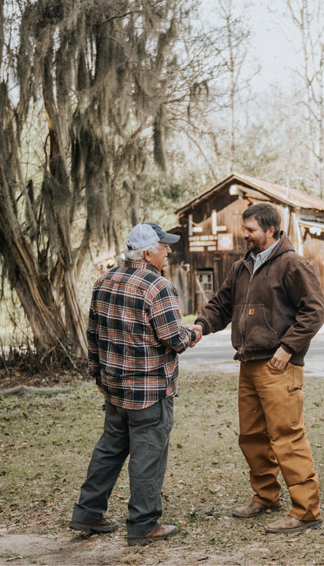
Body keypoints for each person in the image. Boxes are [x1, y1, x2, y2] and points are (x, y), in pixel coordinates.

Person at [192, 202, 324, 534]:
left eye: (251, 230)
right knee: (252, 437)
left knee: (287, 437)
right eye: (245, 229)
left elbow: (315, 310)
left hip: (279, 366)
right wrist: (199, 326)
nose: (245, 235)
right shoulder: (241, 267)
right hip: (248, 364)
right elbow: (220, 305)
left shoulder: (293, 264)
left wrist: (288, 347)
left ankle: (306, 511)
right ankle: (266, 496)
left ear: (270, 230)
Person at [70, 222, 200, 546]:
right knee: (148, 456)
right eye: (164, 246)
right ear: (148, 252)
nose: (169, 251)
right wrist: (193, 333)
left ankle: (87, 512)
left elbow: (93, 336)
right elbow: (174, 339)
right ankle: (143, 525)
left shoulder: (103, 281)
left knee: (109, 450)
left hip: (114, 390)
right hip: (150, 393)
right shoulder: (157, 286)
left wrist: (98, 375)